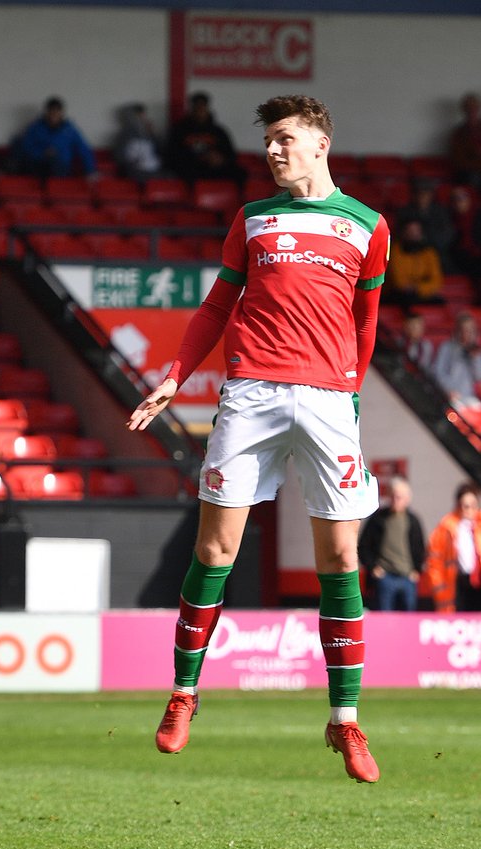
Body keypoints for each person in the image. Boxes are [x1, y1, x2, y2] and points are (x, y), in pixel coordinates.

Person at [127, 95, 389, 783]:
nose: (273, 150)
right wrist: (174, 378)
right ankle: (183, 695)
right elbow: (217, 306)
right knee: (216, 547)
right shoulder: (252, 220)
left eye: (285, 138)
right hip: (251, 393)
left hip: (330, 399)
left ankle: (345, 720)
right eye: (268, 140)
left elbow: (367, 321)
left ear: (320, 143)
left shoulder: (368, 225)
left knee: (339, 558)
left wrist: (352, 394)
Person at [425, 483, 481, 612]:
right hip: (459, 582)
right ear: (458, 506)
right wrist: (439, 586)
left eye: (473, 505)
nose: (469, 510)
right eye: (465, 506)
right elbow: (434, 560)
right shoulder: (447, 527)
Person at [357, 476, 426, 612]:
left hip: (407, 577)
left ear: (407, 499)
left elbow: (420, 548)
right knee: (384, 618)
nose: (395, 500)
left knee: (408, 619)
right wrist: (373, 568)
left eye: (399, 497)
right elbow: (363, 546)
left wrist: (417, 570)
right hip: (384, 577)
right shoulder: (378, 518)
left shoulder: (413, 520)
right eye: (393, 496)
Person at [166, 91, 247, 190]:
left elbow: (231, 154)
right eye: (197, 107)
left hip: (214, 167)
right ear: (192, 109)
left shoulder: (218, 131)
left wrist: (220, 159)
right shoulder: (179, 130)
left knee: (240, 173)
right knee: (185, 174)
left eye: (202, 107)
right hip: (192, 168)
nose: (200, 110)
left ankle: (236, 201)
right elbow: (171, 156)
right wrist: (199, 158)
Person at [8, 96, 96, 178]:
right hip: (39, 164)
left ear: (61, 112)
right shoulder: (36, 127)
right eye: (51, 111)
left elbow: (83, 149)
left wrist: (90, 170)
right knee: (18, 144)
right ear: (47, 112)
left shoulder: (70, 130)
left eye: (57, 111)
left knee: (57, 165)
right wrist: (43, 153)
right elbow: (27, 146)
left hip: (60, 167)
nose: (54, 114)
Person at [383, 219, 445, 308]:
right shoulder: (395, 251)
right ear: (403, 233)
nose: (413, 234)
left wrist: (419, 288)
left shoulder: (429, 253)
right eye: (410, 231)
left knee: (439, 303)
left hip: (421, 293)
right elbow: (398, 280)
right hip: (398, 294)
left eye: (416, 231)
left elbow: (436, 280)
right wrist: (410, 288)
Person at [433, 312, 481, 408]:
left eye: (471, 330)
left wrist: (475, 358)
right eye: (465, 329)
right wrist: (448, 390)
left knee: (480, 410)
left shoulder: (476, 350)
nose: (468, 333)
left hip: (468, 397)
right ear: (458, 330)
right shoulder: (447, 347)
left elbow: (480, 377)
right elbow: (438, 372)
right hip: (447, 396)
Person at [448, 92, 481, 189]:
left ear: (479, 109)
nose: (472, 112)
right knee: (475, 177)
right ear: (464, 111)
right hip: (473, 171)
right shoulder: (458, 134)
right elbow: (459, 162)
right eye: (469, 109)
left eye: (475, 108)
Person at [113, 102, 166, 182]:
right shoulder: (124, 135)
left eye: (142, 115)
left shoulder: (149, 133)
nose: (142, 118)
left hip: (154, 168)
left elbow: (161, 150)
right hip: (135, 170)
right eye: (138, 115)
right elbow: (120, 157)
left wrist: (153, 134)